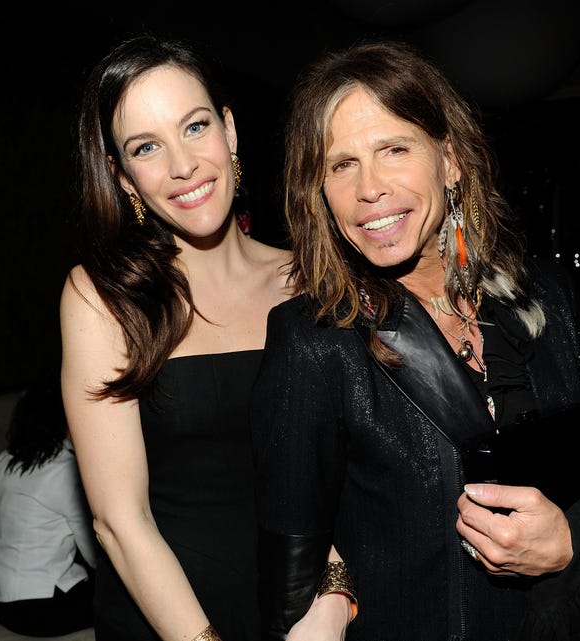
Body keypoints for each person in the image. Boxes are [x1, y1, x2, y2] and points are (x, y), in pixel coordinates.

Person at [251, 40, 580, 640]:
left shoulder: (546, 296)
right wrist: (331, 596)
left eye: (393, 149)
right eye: (341, 164)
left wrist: (570, 541)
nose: (368, 188)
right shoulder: (314, 341)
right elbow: (290, 572)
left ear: (450, 160)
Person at [59, 34, 353, 641]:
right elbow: (119, 520)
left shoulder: (313, 277)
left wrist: (331, 602)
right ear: (124, 179)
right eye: (147, 147)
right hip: (164, 621)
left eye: (195, 128)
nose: (182, 166)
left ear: (231, 131)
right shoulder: (101, 297)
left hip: (302, 614)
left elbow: (345, 474)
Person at [0, 367, 96, 637]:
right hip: (41, 607)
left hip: (3, 601)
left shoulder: (4, 461)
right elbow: (93, 553)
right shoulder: (65, 469)